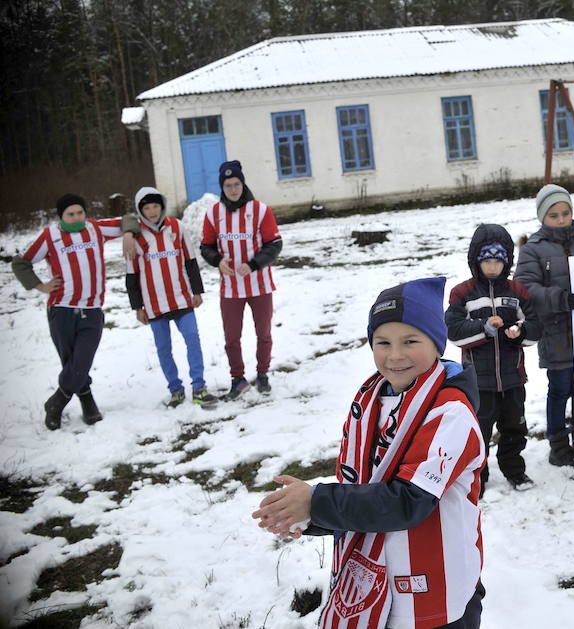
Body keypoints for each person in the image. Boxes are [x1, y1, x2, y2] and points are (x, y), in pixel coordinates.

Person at [251, 277, 485, 629]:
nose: (395, 355)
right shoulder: (370, 401)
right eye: (383, 342)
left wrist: (318, 502)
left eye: (411, 341)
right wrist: (309, 515)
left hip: (437, 592)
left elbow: (408, 501)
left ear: (437, 344)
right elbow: (365, 486)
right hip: (378, 586)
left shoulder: (450, 413)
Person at [11, 193, 140, 429]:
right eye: (71, 214)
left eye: (80, 212)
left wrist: (129, 234)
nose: (77, 217)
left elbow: (129, 219)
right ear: (61, 216)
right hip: (61, 310)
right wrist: (41, 286)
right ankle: (87, 401)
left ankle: (56, 402)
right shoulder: (50, 236)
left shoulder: (95, 229)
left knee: (81, 360)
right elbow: (20, 263)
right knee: (71, 362)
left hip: (91, 309)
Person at [514, 184, 574, 467]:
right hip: (555, 333)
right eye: (554, 215)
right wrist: (559, 298)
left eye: (566, 213)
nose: (562, 219)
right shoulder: (533, 249)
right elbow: (525, 287)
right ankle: (558, 443)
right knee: (559, 389)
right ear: (543, 217)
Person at [446, 223, 541, 494]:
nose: (492, 267)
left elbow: (534, 328)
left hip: (513, 378)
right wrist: (484, 329)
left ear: (507, 262)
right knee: (479, 432)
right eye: (486, 260)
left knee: (514, 427)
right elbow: (454, 332)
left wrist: (519, 333)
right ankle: (479, 477)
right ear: (476, 261)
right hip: (478, 382)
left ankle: (515, 470)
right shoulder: (463, 293)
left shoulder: (517, 292)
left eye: (498, 261)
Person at [126, 187, 217, 409]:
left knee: (192, 338)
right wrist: (137, 307)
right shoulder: (135, 236)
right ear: (140, 210)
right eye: (146, 208)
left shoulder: (177, 227)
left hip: (181, 299)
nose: (152, 211)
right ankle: (175, 389)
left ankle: (199, 387)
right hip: (154, 304)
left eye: (155, 206)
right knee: (163, 348)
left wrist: (197, 291)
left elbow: (190, 260)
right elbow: (131, 274)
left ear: (162, 206)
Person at [201, 160, 283, 400]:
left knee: (263, 333)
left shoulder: (259, 210)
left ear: (243, 184)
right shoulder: (214, 213)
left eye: (236, 184)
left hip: (260, 284)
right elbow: (206, 245)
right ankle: (237, 379)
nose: (233, 189)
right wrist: (218, 261)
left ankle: (263, 373)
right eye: (228, 185)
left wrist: (254, 264)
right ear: (222, 188)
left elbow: (274, 243)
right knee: (232, 337)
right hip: (230, 288)